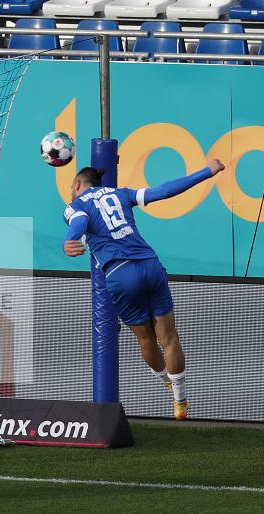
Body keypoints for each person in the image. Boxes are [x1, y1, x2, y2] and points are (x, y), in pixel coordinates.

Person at [61, 160, 226, 420]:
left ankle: (166, 383)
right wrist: (208, 171)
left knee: (146, 339)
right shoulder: (121, 193)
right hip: (150, 264)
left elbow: (79, 221)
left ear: (78, 184)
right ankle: (180, 402)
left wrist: (69, 240)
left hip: (120, 273)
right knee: (169, 338)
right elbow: (165, 191)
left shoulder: (76, 205)